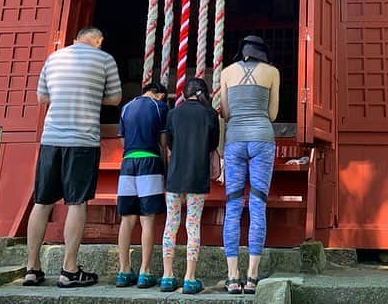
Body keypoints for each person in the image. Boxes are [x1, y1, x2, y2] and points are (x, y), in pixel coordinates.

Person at [24, 27, 121, 288]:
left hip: (51, 138)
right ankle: (69, 270)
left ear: (75, 39)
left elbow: (42, 97)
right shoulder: (104, 60)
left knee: (42, 202)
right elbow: (115, 98)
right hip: (82, 140)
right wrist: (89, 94)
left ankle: (32, 268)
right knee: (77, 202)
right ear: (99, 41)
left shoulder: (53, 58)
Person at [220, 35, 280, 295]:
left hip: (234, 140)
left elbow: (225, 111)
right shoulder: (272, 72)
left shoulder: (226, 72)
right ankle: (252, 276)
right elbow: (273, 113)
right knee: (257, 204)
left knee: (233, 206)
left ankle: (232, 277)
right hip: (262, 140)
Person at [160, 77, 220, 294]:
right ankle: (189, 277)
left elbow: (171, 144)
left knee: (171, 223)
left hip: (175, 175)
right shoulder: (210, 114)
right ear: (203, 93)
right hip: (197, 174)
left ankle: (167, 277)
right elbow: (212, 144)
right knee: (192, 225)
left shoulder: (173, 114)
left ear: (184, 94)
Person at [115, 80, 169, 288]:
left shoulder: (126, 107)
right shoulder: (160, 106)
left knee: (127, 219)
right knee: (147, 220)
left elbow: (122, 139)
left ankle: (123, 271)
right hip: (149, 161)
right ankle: (145, 271)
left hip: (127, 162)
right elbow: (163, 142)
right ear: (158, 94)